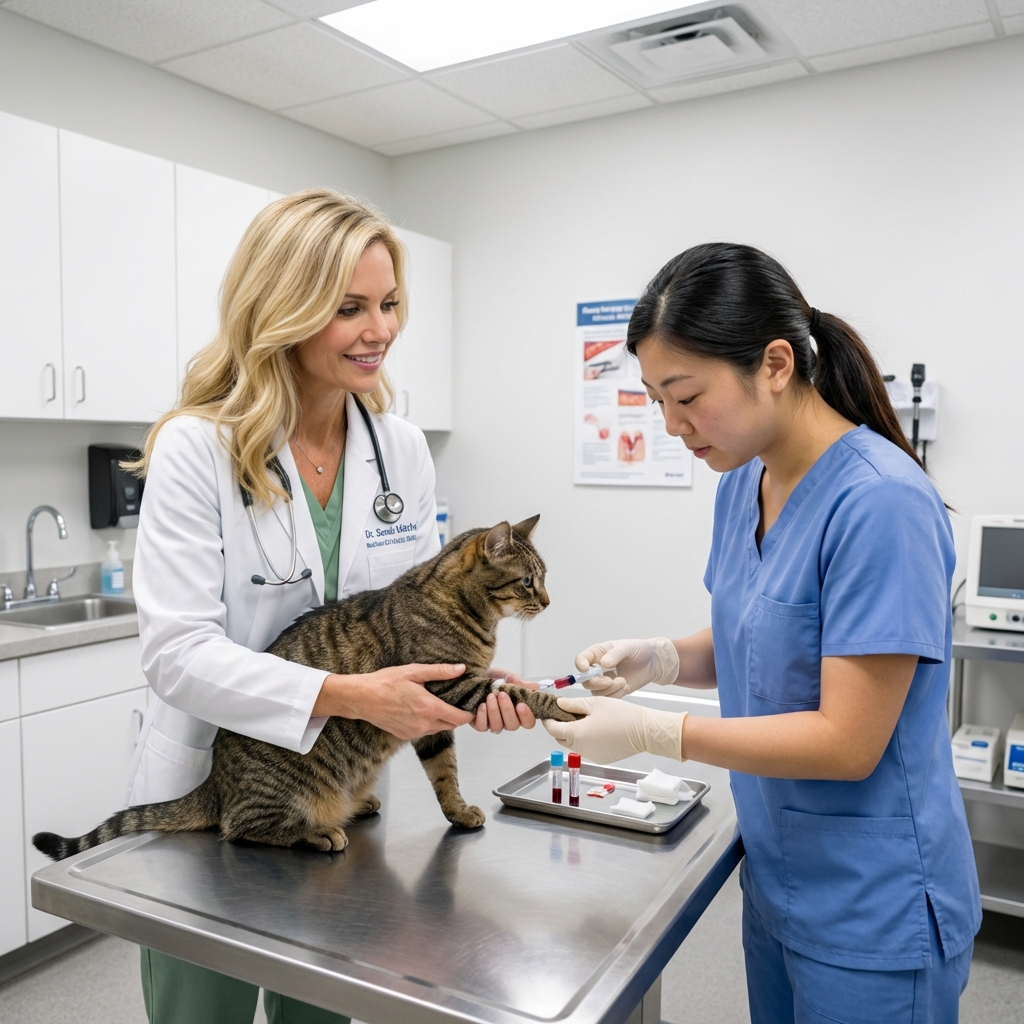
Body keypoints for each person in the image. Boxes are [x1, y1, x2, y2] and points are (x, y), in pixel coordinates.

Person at [545, 243, 980, 1024]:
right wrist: (662, 658)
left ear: (775, 363)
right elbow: (760, 639)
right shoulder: (744, 477)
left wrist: (654, 730)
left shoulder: (881, 505)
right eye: (655, 401)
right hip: (780, 884)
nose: (673, 425)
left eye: (686, 396)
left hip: (873, 907)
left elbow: (848, 740)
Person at [126, 189, 530, 1024]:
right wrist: (350, 695)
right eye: (349, 308)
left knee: (324, 1010)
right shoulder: (196, 446)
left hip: (339, 790)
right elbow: (174, 654)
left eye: (388, 305)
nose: (380, 329)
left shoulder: (401, 450)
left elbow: (410, 617)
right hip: (212, 792)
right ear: (283, 307)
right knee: (203, 1012)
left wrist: (471, 690)